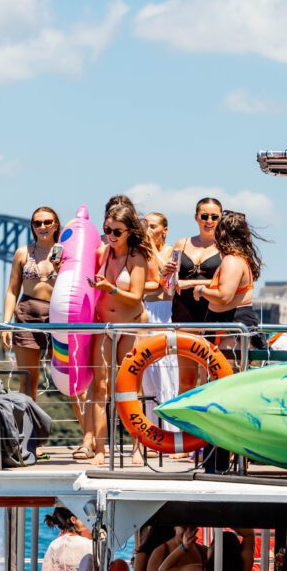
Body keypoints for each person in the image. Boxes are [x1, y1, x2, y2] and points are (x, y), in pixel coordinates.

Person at [87, 203, 151, 466]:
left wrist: (110, 288)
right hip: (105, 325)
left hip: (131, 325)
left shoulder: (137, 257)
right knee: (101, 388)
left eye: (116, 232)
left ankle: (137, 447)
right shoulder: (103, 252)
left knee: (130, 388)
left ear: (129, 231)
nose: (111, 236)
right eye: (107, 230)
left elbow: (136, 296)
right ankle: (101, 449)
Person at [164, 198, 223, 393]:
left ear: (220, 218)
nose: (209, 220)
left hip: (211, 312)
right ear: (196, 217)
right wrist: (166, 272)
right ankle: (184, 424)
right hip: (184, 312)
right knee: (187, 380)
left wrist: (191, 282)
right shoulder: (182, 243)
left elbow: (225, 283)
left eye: (214, 216)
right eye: (204, 216)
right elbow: (168, 286)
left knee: (212, 379)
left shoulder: (225, 248)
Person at [2, 206, 60, 400]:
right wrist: (6, 324)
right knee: (28, 380)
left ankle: (89, 430)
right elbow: (12, 290)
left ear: (55, 225)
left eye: (47, 222)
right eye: (37, 223)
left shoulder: (66, 252)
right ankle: (29, 429)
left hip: (58, 316)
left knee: (67, 377)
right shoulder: (23, 253)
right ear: (32, 227)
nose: (42, 226)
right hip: (27, 316)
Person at [194, 210, 267, 350]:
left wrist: (201, 290)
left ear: (221, 234)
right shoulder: (236, 259)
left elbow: (224, 296)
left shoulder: (232, 260)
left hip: (232, 327)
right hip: (225, 325)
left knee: (228, 371)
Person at [142, 212, 179, 432]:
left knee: (168, 373)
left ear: (164, 229)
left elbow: (169, 286)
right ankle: (152, 430)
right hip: (145, 312)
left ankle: (172, 431)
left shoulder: (171, 252)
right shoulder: (139, 253)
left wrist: (153, 249)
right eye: (145, 225)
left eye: (153, 226)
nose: (148, 230)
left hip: (164, 313)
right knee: (148, 375)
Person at [158, 527, 254, 571]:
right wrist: (226, 519)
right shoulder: (243, 570)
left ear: (212, 552)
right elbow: (249, 534)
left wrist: (184, 546)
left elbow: (163, 570)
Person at [41, 507, 92, 571]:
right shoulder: (88, 544)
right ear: (73, 520)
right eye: (83, 517)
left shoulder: (53, 545)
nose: (87, 521)